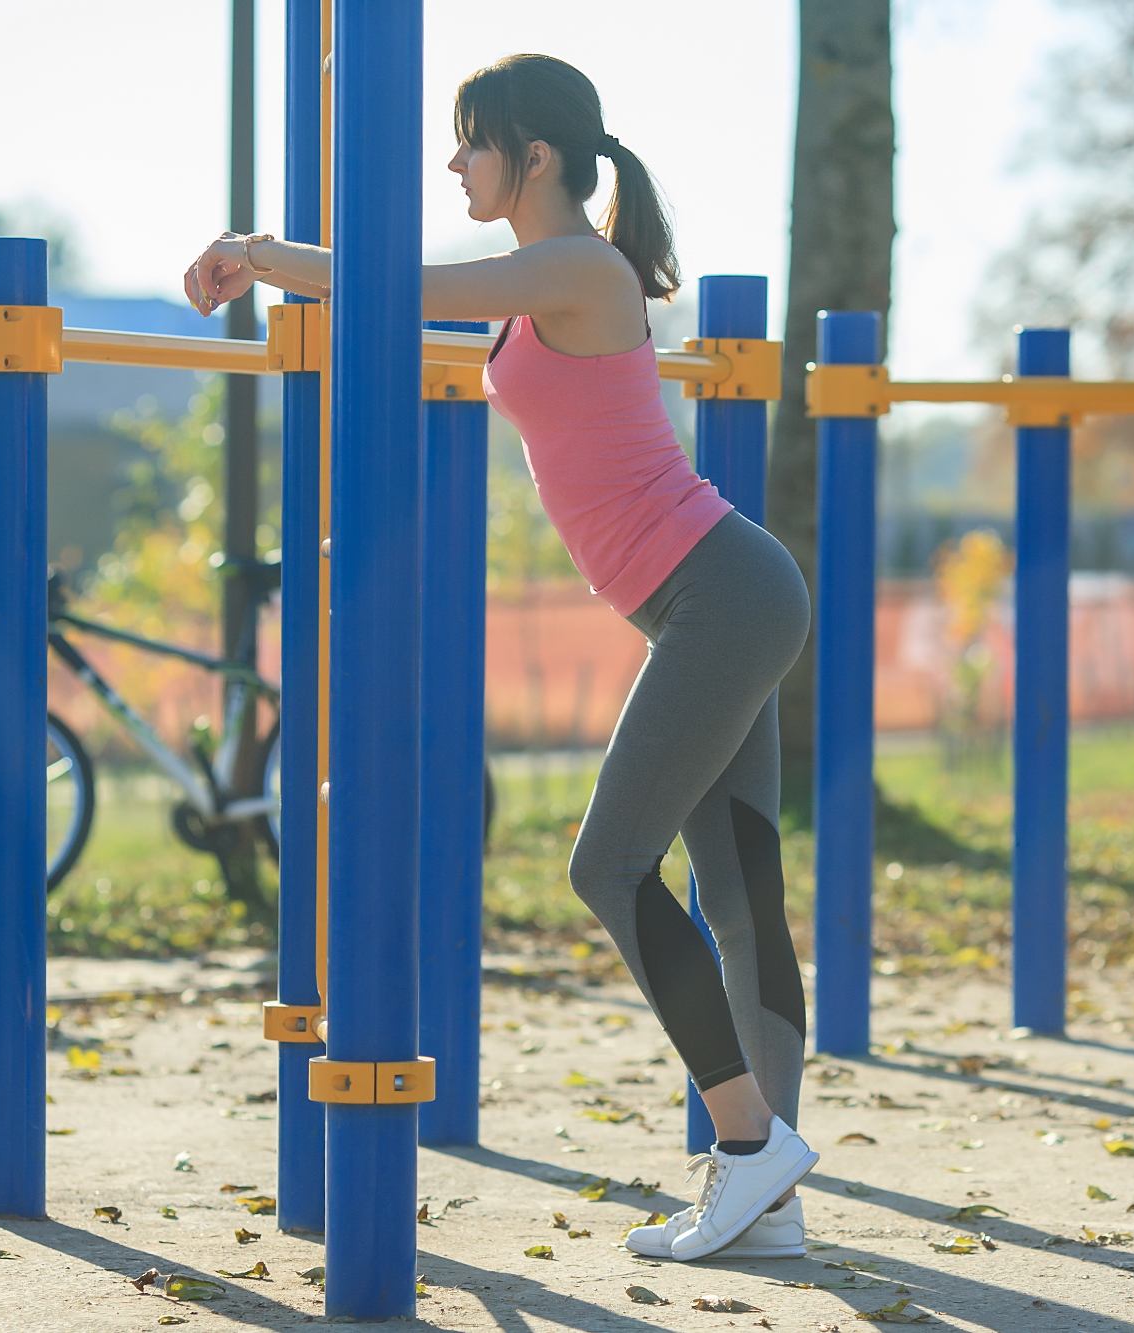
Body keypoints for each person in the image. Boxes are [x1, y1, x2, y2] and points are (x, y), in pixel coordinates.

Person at [182, 53, 817, 1263]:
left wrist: (258, 249)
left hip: (719, 594)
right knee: (735, 898)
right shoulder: (543, 283)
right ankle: (768, 1205)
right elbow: (404, 284)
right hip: (715, 596)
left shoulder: (575, 265)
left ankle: (750, 1149)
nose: (453, 163)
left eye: (472, 143)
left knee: (609, 866)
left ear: (535, 156)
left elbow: (400, 282)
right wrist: (268, 257)